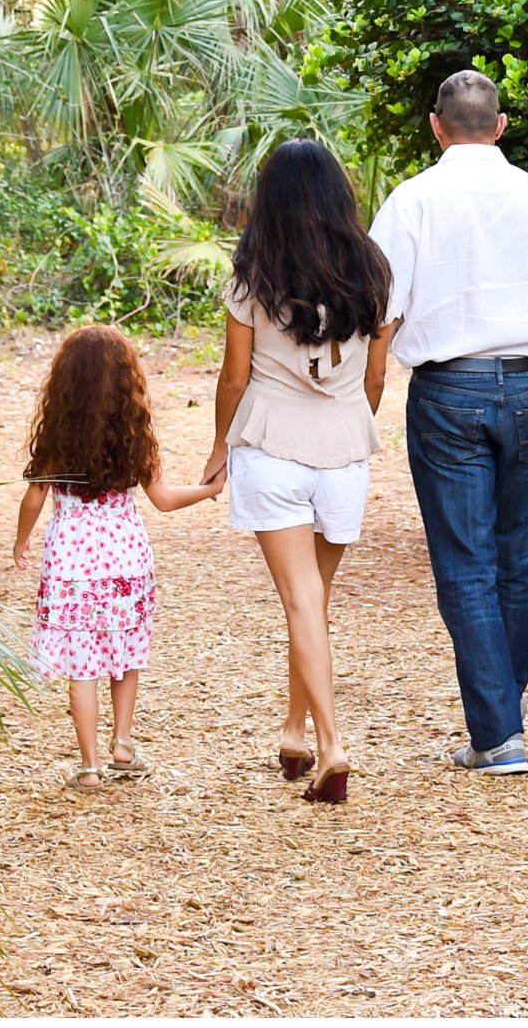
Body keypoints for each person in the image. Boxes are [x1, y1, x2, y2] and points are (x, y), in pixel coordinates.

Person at [369, 68, 528, 776]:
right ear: (500, 126)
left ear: (436, 128)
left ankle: (499, 733)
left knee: (465, 562)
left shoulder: (410, 201)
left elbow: (382, 314)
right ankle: (502, 719)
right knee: (516, 557)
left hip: (448, 391)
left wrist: (366, 396)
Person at [202, 140, 392, 805]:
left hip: (272, 443)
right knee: (311, 600)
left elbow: (233, 376)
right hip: (343, 450)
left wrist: (221, 445)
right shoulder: (374, 270)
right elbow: (375, 377)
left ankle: (332, 745)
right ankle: (292, 730)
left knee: (300, 600)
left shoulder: (255, 272)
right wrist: (346, 421)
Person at [14, 324, 224, 789]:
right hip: (126, 559)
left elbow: (33, 500)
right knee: (125, 653)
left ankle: (88, 767)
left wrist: (21, 541)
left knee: (81, 664)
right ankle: (123, 745)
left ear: (65, 381)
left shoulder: (57, 434)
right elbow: (164, 499)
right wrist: (209, 489)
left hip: (70, 561)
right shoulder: (133, 435)